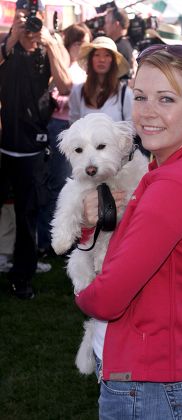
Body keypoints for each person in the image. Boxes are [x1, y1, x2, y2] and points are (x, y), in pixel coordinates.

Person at [74, 44, 182, 419]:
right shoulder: (177, 168)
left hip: (148, 381)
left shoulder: (175, 185)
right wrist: (92, 226)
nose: (147, 112)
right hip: (163, 369)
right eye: (140, 97)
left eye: (166, 99)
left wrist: (84, 294)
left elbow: (107, 298)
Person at [0, 0, 72, 299]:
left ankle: (22, 277)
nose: (29, 24)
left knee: (28, 216)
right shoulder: (7, 45)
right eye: (24, 16)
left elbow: (66, 86)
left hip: (32, 150)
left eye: (33, 17)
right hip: (4, 145)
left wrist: (51, 44)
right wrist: (11, 40)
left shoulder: (48, 48)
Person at [37, 22, 93, 257]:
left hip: (75, 131)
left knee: (67, 184)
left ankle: (62, 236)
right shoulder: (62, 66)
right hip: (56, 127)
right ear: (69, 44)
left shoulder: (84, 70)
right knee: (55, 184)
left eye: (84, 43)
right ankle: (48, 239)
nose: (81, 48)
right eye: (77, 43)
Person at [69, 36, 133, 124]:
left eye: (107, 55)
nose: (102, 60)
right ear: (91, 59)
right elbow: (73, 124)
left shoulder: (125, 94)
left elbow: (131, 128)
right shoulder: (78, 91)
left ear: (113, 61)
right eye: (97, 55)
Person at [103, 7, 133, 78]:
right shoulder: (125, 44)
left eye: (107, 23)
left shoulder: (118, 48)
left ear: (116, 24)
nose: (104, 26)